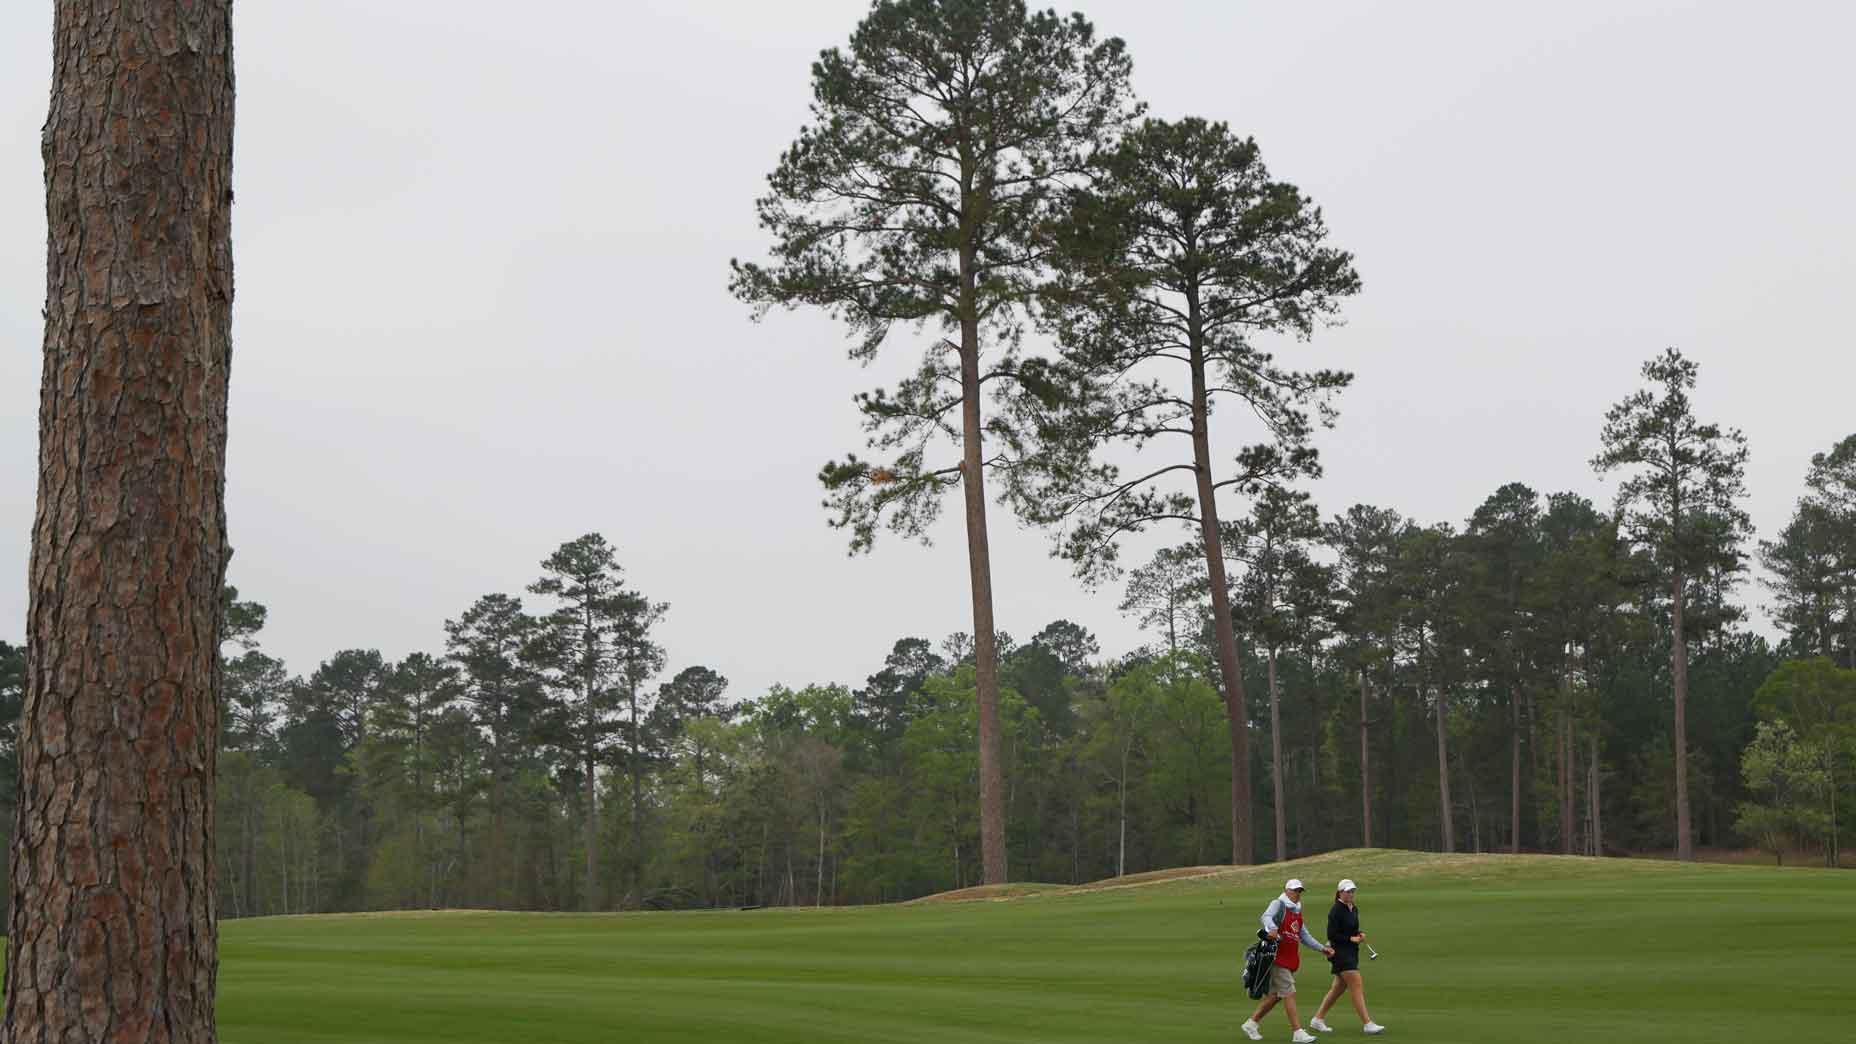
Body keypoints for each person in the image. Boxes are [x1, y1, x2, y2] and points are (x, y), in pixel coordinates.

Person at [1241, 878, 1335, 1043]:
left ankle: (1251, 1023)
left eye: (1300, 891)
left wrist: (1322, 948)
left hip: (1290, 959)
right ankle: (1297, 1032)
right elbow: (1266, 916)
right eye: (1294, 890)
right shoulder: (1279, 904)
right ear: (1286, 891)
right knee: (1289, 992)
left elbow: (1304, 936)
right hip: (1276, 958)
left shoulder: (1297, 912)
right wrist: (1272, 928)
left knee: (1275, 996)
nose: (1297, 894)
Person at [1309, 879, 1386, 1035]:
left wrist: (1360, 934)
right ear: (1340, 892)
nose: (1351, 894)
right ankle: (1367, 1023)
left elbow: (1351, 928)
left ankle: (1317, 1019)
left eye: (1352, 891)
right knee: (1356, 983)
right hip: (1339, 953)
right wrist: (1351, 939)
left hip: (1351, 952)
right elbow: (1332, 934)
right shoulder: (1336, 910)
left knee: (1338, 988)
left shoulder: (1353, 908)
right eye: (1348, 891)